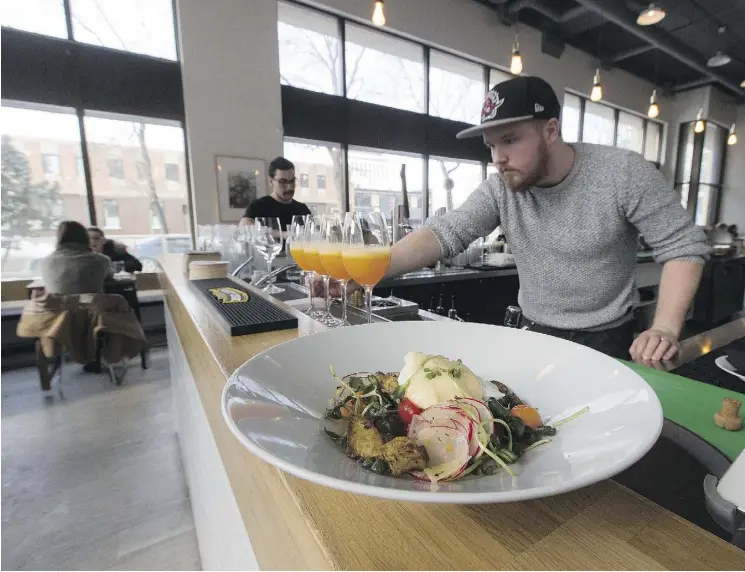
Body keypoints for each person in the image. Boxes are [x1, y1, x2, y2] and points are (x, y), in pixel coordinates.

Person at [325, 76, 710, 365]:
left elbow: (683, 246)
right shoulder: (502, 187)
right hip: (533, 333)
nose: (497, 157)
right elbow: (446, 232)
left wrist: (664, 328)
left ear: (551, 130)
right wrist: (361, 272)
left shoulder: (622, 173)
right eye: (491, 146)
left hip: (607, 339)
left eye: (509, 140)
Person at [41, 221, 112, 295]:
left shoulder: (46, 261)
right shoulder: (101, 260)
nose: (93, 241)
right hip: (92, 305)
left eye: (96, 238)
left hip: (58, 305)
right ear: (85, 237)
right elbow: (109, 276)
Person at [239, 156, 311, 229]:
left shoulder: (302, 209)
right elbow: (244, 225)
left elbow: (315, 233)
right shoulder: (258, 205)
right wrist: (282, 234)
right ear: (271, 181)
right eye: (282, 182)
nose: (289, 187)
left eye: (292, 181)